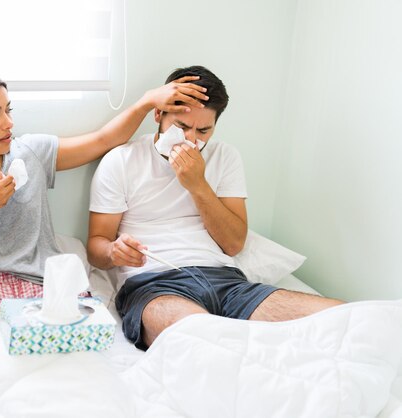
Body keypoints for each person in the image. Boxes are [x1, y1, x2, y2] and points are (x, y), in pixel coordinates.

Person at [0, 66, 208, 343]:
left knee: (68, 370)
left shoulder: (29, 152)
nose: (8, 124)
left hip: (45, 290)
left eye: (8, 110)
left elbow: (104, 140)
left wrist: (146, 102)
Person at [87, 65, 344, 350]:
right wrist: (114, 251)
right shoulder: (122, 161)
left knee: (345, 319)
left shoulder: (225, 157)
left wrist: (198, 185)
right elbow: (97, 248)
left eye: (204, 130)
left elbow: (234, 243)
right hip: (154, 285)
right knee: (204, 341)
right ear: (158, 114)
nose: (191, 139)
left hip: (225, 281)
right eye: (182, 127)